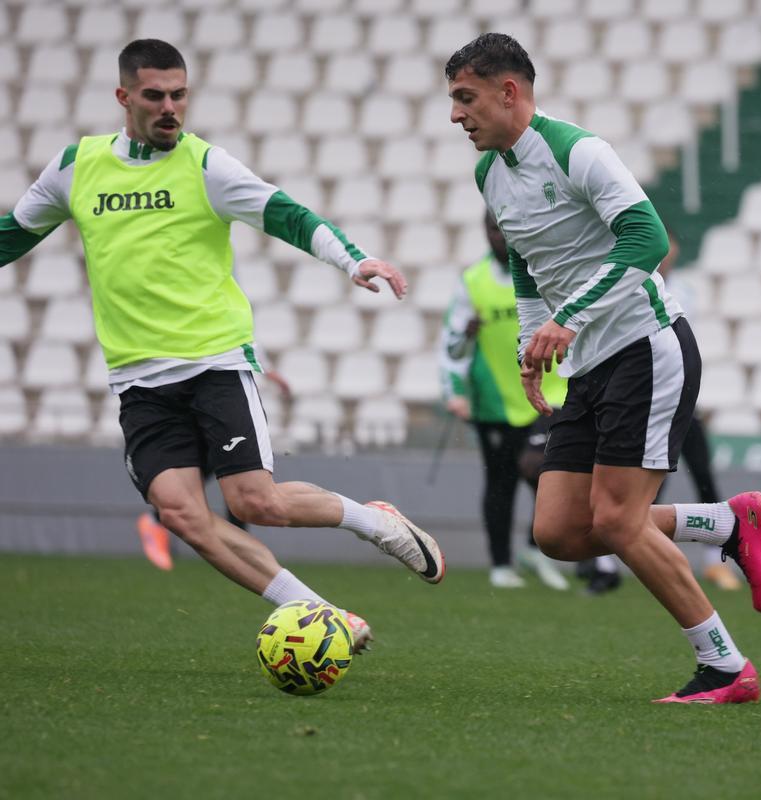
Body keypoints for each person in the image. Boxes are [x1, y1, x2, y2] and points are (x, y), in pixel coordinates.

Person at [0, 39, 446, 652]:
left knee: (256, 502)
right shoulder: (76, 166)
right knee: (182, 515)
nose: (169, 108)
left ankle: (375, 521)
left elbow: (286, 214)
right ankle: (318, 614)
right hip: (136, 379)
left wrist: (353, 260)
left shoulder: (206, 166)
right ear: (123, 97)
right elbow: (13, 234)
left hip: (213, 363)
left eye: (179, 95)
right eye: (154, 96)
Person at [446, 33, 761, 704]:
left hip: (646, 347)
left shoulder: (578, 151)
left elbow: (648, 238)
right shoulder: (489, 173)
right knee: (561, 532)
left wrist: (569, 318)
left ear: (509, 92)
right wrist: (533, 342)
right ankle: (726, 524)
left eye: (465, 98)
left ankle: (726, 667)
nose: (456, 115)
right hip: (591, 364)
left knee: (620, 522)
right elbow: (526, 259)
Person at [580, 229, 741, 594]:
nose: (665, 258)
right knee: (641, 487)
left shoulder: (684, 292)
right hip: (643, 396)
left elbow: (682, 343)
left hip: (675, 393)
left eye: (670, 253)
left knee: (701, 476)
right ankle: (616, 561)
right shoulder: (627, 285)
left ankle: (716, 562)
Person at [439, 210, 570, 590]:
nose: (498, 237)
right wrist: (456, 390)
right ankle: (501, 564)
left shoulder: (544, 271)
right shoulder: (472, 281)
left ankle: (535, 545)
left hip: (547, 393)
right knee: (500, 481)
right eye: (491, 230)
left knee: (547, 472)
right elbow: (451, 346)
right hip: (494, 400)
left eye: (503, 229)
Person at [136, 369, 292, 571]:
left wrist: (274, 377)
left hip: (230, 405)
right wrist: (275, 377)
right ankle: (155, 519)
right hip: (215, 406)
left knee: (240, 486)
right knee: (231, 478)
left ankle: (239, 550)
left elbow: (253, 352)